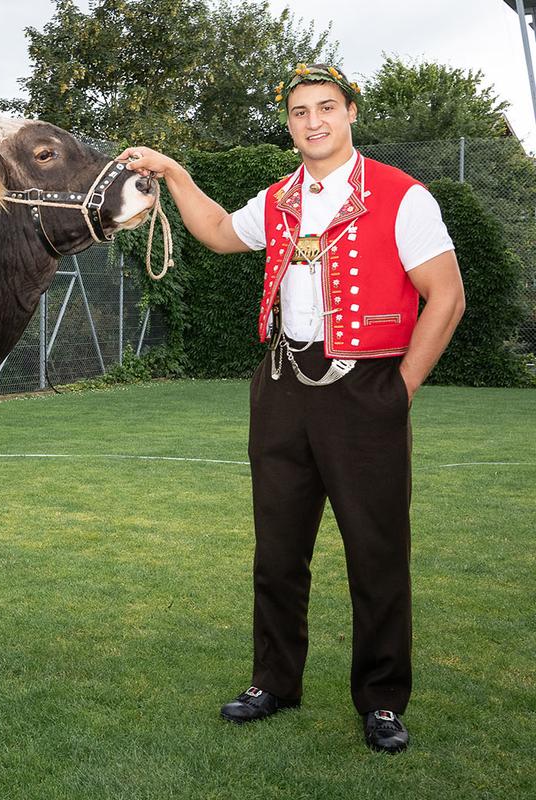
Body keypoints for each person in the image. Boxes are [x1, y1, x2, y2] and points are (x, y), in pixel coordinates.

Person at [118, 63, 465, 753]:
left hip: (366, 389)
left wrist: (400, 390)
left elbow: (446, 296)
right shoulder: (278, 198)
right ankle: (274, 682)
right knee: (277, 551)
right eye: (301, 111)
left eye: (326, 107)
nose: (314, 121)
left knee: (377, 552)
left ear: (350, 114)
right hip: (280, 384)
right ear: (290, 123)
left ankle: (382, 700)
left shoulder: (403, 196)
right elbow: (218, 232)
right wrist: (175, 172)